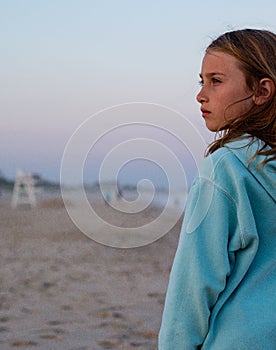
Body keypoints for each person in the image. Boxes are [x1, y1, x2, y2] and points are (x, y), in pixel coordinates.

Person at [158, 28, 276, 349]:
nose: (200, 94)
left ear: (262, 91)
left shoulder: (225, 168)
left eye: (216, 81)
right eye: (202, 81)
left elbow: (194, 285)